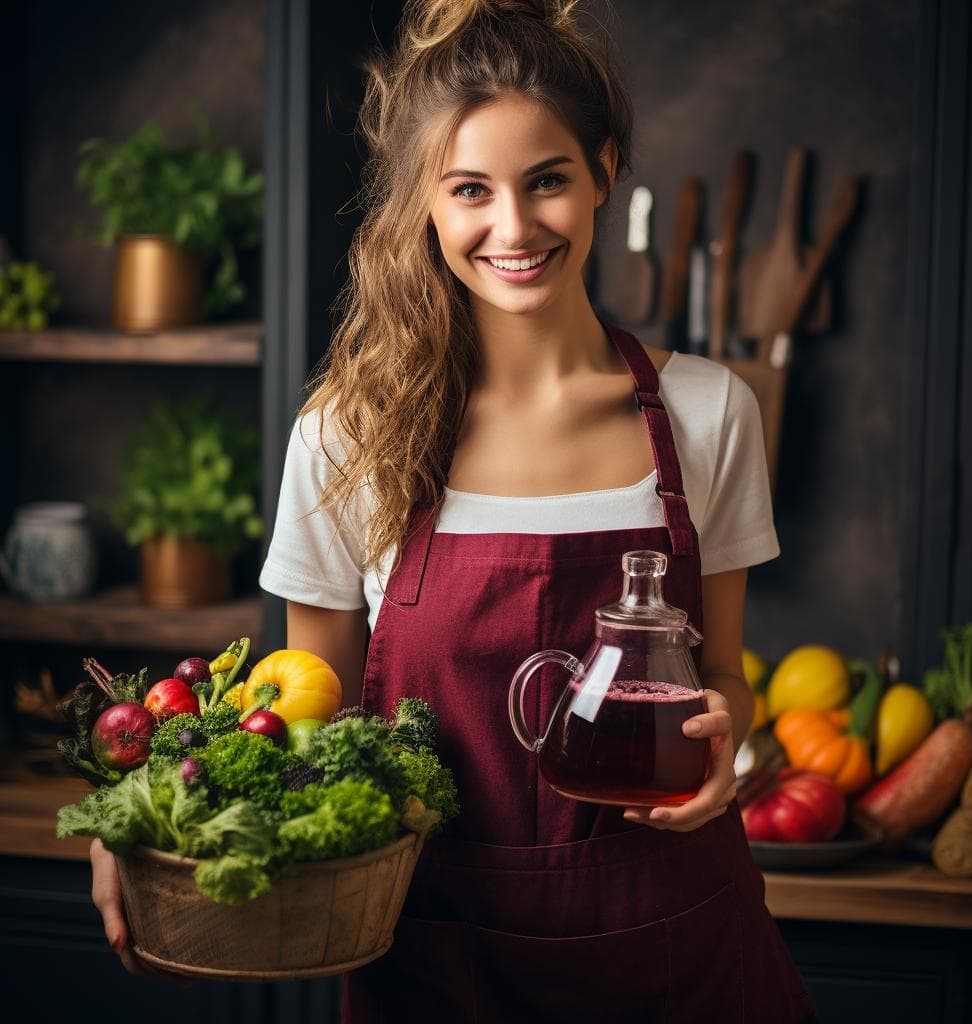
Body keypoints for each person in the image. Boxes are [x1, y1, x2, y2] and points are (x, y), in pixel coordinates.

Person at [93, 1, 818, 1020]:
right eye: (470, 189)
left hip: (675, 943)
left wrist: (724, 738)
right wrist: (150, 816)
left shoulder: (707, 413)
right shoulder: (351, 434)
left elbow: (724, 678)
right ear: (424, 206)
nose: (513, 228)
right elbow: (303, 720)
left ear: (605, 170)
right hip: (437, 960)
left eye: (548, 181)